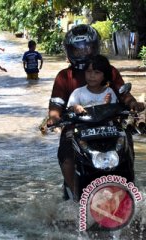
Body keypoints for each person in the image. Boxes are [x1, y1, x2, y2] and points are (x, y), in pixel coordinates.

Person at [47, 24, 145, 196]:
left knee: (127, 146)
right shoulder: (64, 76)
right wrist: (54, 118)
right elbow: (56, 106)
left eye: (87, 48)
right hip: (77, 129)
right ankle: (75, 193)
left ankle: (129, 188)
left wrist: (133, 104)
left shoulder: (110, 71)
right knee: (66, 156)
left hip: (111, 126)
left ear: (95, 47)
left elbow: (124, 95)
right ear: (70, 51)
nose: (83, 53)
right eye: (78, 50)